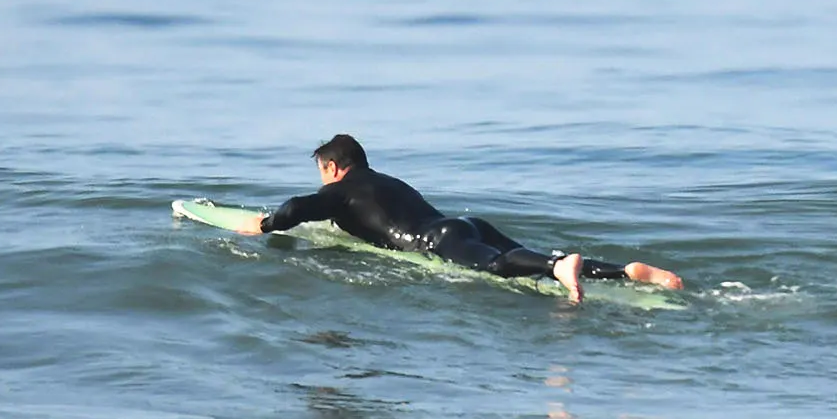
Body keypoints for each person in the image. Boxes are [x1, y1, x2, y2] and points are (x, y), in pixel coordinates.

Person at [236, 134, 682, 303]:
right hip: (466, 225)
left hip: (437, 242)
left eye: (322, 174)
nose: (323, 183)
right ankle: (627, 273)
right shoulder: (387, 180)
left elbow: (296, 209)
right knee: (521, 257)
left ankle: (557, 267)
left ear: (333, 168)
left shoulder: (340, 191)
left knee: (500, 268)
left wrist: (264, 226)